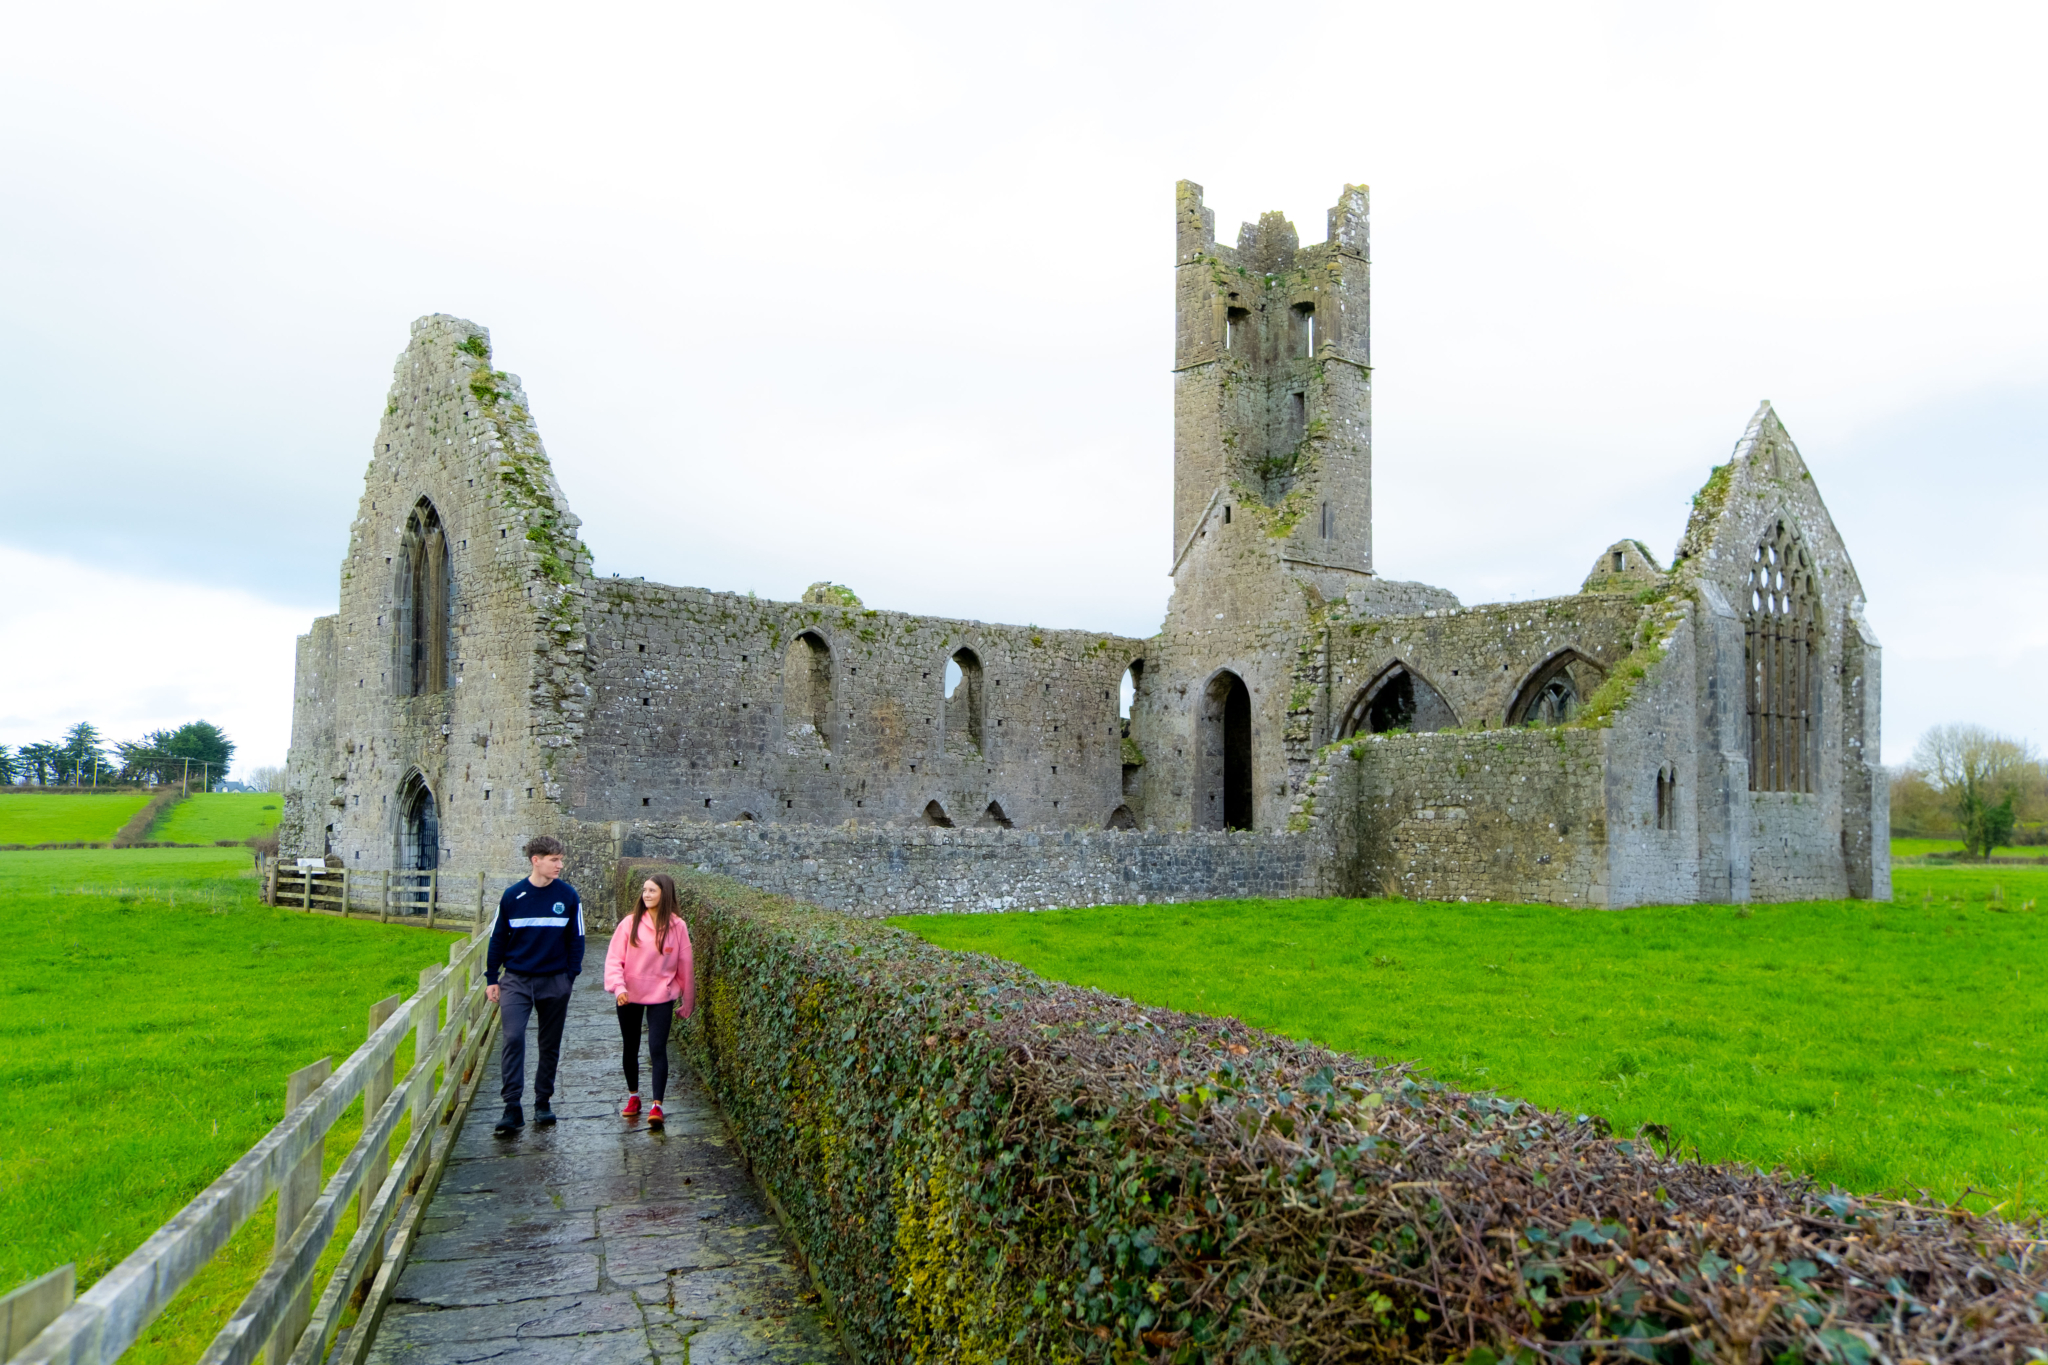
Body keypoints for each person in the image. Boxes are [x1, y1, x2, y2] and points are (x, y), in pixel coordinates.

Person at [486, 835, 585, 1135]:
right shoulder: (512, 896)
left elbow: (577, 940)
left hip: (555, 981)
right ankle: (511, 1107)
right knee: (513, 1038)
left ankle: (543, 1102)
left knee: (549, 1044)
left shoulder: (568, 896)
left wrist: (569, 977)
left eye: (560, 859)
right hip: (516, 980)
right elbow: (498, 939)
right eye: (554, 859)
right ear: (536, 860)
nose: (560, 865)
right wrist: (492, 978)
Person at [603, 873, 695, 1129]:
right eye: (644, 890)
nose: (646, 895)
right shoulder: (629, 924)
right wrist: (618, 987)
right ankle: (634, 1097)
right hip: (629, 995)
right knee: (630, 1047)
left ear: (665, 894)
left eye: (652, 890)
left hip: (661, 996)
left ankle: (657, 1105)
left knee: (657, 1048)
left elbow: (685, 968)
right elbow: (614, 960)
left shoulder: (678, 927)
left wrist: (688, 1003)